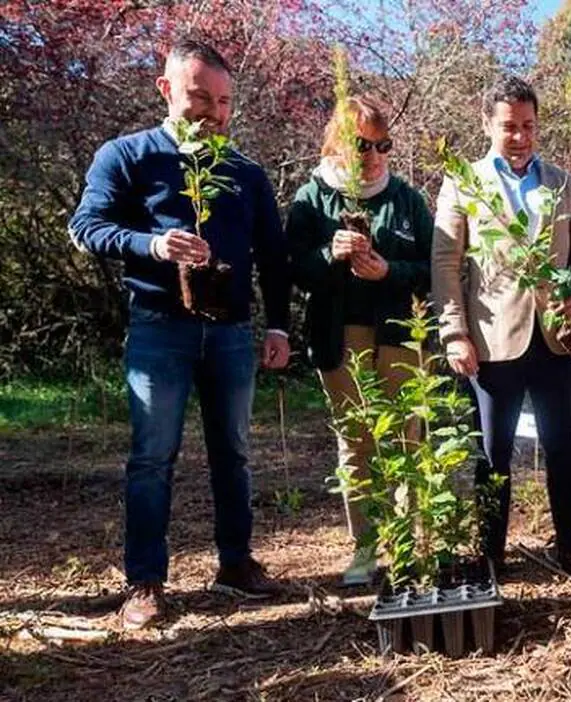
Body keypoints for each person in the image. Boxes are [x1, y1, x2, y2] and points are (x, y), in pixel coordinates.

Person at [68, 39, 291, 629]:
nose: (214, 113)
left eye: (223, 102)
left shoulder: (244, 172)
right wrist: (153, 244)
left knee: (236, 454)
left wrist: (278, 324)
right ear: (166, 90)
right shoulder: (127, 156)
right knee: (151, 458)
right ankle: (145, 581)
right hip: (158, 330)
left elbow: (273, 255)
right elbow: (86, 226)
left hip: (230, 334)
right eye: (199, 97)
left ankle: (236, 563)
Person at [431, 75, 571, 580]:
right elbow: (445, 262)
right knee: (493, 453)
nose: (521, 137)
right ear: (487, 124)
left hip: (553, 337)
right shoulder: (463, 181)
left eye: (528, 126)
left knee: (562, 447)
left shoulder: (564, 184)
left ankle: (570, 547)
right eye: (509, 127)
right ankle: (490, 557)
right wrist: (454, 332)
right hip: (491, 340)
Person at [287, 95, 434, 584]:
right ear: (336, 140)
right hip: (339, 333)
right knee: (357, 441)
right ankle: (365, 549)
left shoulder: (408, 200)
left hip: (397, 334)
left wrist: (389, 270)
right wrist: (330, 254)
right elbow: (294, 271)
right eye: (360, 143)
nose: (372, 155)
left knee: (405, 437)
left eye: (382, 144)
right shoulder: (312, 199)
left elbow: (432, 270)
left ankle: (408, 545)